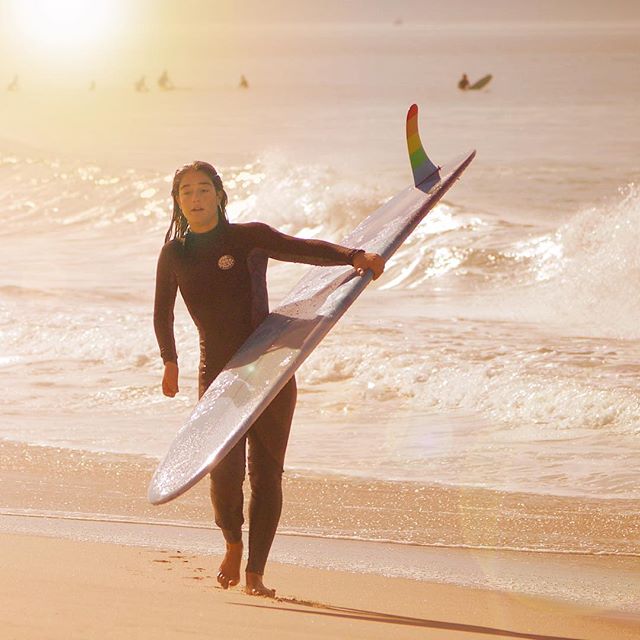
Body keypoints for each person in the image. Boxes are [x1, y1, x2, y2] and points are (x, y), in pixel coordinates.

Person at [154, 161, 384, 597]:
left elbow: (301, 248)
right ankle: (232, 544)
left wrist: (354, 258)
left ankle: (256, 571)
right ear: (177, 201)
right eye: (187, 192)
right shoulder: (174, 253)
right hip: (219, 373)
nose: (196, 198)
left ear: (220, 196)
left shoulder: (248, 238)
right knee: (222, 472)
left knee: (266, 474)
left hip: (270, 366)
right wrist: (170, 360)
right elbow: (161, 311)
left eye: (204, 190)